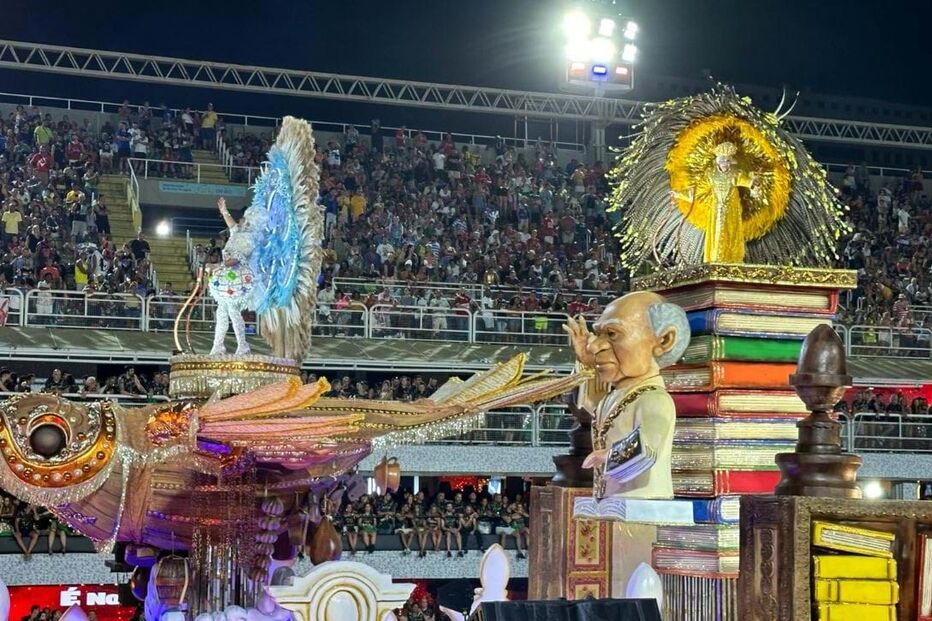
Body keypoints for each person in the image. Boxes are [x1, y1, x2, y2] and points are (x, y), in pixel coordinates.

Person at [208, 197, 254, 355]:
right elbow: (230, 223)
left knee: (232, 310)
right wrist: (223, 210)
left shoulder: (249, 239)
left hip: (237, 279)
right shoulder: (237, 233)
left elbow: (237, 259)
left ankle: (242, 344)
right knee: (221, 311)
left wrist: (218, 265)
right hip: (227, 277)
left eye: (243, 219)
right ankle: (218, 345)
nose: (240, 220)